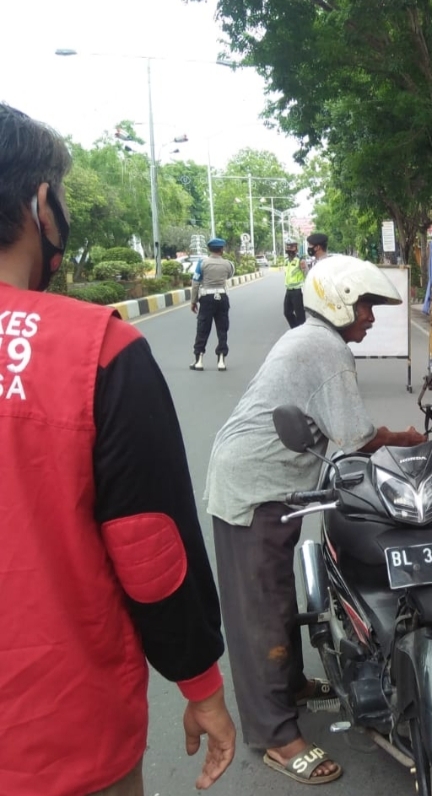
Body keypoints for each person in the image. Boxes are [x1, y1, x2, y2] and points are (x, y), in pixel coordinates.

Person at [0, 103, 236, 795]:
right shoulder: (95, 350)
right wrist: (201, 682)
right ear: (43, 205)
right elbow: (150, 547)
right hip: (59, 736)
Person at [205, 255, 426, 786]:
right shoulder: (324, 349)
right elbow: (355, 438)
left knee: (278, 595)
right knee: (259, 610)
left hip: (275, 485)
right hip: (253, 489)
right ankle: (275, 735)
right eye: (367, 305)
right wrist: (405, 440)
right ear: (341, 300)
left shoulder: (313, 338)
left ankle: (291, 684)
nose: (371, 317)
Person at [190, 237, 235, 371]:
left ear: (209, 249)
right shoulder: (228, 264)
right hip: (222, 297)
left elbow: (195, 283)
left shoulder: (202, 263)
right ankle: (221, 359)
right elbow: (229, 276)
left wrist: (193, 301)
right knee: (222, 329)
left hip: (206, 298)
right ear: (222, 249)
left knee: (203, 329)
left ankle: (199, 360)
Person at [282, 239, 306, 327]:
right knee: (287, 313)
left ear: (296, 248)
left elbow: (306, 274)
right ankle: (295, 329)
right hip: (288, 290)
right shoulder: (286, 261)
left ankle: (302, 332)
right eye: (288, 247)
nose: (289, 249)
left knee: (300, 315)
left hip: (298, 291)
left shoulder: (300, 260)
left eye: (291, 247)